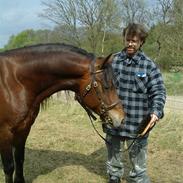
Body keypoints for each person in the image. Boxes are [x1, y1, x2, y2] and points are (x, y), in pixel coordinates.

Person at [102, 23, 166, 183]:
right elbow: (102, 88)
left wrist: (156, 112)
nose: (130, 43)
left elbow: (158, 91)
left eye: (134, 41)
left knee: (139, 167)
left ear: (141, 42)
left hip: (138, 123)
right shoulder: (112, 61)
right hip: (114, 121)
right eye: (128, 40)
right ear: (124, 39)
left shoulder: (149, 65)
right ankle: (114, 177)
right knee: (113, 158)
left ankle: (139, 179)